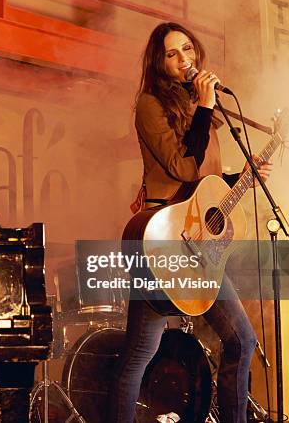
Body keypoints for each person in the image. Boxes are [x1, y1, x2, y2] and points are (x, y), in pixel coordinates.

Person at [110, 22, 272, 422]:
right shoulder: (150, 104)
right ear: (159, 63)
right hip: (164, 237)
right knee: (140, 353)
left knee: (241, 340)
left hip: (195, 237)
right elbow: (183, 166)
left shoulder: (203, 110)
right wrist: (204, 107)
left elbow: (204, 182)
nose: (185, 60)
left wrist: (242, 177)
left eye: (188, 49)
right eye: (172, 54)